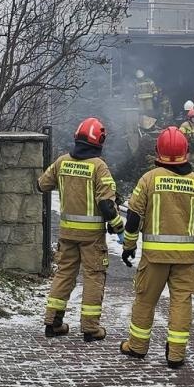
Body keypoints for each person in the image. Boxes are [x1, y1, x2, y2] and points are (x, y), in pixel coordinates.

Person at [119, 127, 194, 368]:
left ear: (158, 151)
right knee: (181, 302)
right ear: (186, 152)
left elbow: (133, 216)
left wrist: (129, 245)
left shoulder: (148, 180)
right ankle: (176, 354)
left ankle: (137, 347)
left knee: (145, 301)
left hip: (154, 258)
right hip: (186, 259)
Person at [35, 117, 125, 340]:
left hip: (67, 234)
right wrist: (117, 225)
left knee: (64, 274)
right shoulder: (98, 166)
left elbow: (41, 185)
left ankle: (52, 323)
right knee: (94, 277)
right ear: (99, 141)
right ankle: (90, 328)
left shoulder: (62, 161)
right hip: (92, 237)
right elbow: (106, 204)